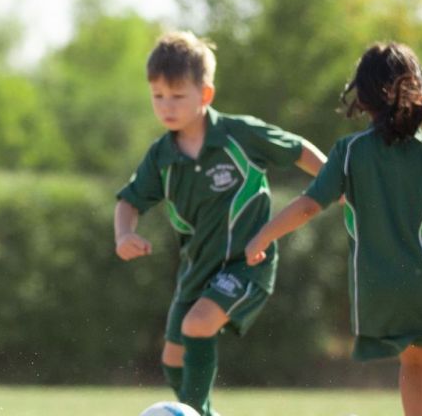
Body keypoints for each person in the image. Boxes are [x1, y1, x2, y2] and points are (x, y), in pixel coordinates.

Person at [245, 43, 422, 416]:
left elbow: (308, 206)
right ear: (418, 89)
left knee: (414, 361)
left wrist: (263, 235)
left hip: (374, 287)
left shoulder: (349, 151)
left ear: (363, 97)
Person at [112, 32, 325, 416]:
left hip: (247, 262)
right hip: (197, 270)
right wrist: (125, 233)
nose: (166, 105)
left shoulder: (238, 135)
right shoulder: (161, 156)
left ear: (205, 95)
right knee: (172, 360)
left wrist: (334, 184)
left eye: (177, 96)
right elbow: (129, 201)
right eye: (158, 96)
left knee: (198, 325)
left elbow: (297, 149)